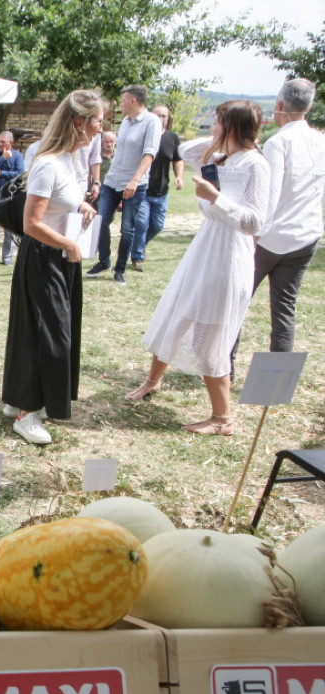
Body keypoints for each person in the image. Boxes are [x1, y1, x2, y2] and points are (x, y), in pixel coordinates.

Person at [125, 101, 269, 437]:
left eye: (217, 122)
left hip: (229, 256)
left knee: (209, 336)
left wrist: (216, 198)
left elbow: (255, 222)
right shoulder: (223, 158)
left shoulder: (255, 164)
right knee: (177, 314)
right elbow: (187, 149)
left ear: (232, 127)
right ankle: (153, 381)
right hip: (205, 250)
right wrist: (222, 144)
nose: (211, 128)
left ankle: (222, 418)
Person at [1, 90, 103, 445]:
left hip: (60, 257)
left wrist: (81, 208)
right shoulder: (48, 164)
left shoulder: (70, 161)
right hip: (44, 257)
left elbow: (61, 204)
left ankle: (20, 399)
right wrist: (69, 244)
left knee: (44, 331)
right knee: (49, 335)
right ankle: (27, 413)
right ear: (79, 122)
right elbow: (31, 224)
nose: (102, 128)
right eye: (98, 121)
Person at [246, 78, 325, 354]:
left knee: (238, 300)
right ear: (309, 107)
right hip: (306, 234)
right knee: (284, 310)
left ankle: (224, 368)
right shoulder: (321, 141)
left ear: (279, 105)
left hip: (272, 236)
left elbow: (270, 194)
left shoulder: (278, 142)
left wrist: (255, 235)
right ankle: (277, 378)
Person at [87, 85, 161, 285]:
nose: (120, 104)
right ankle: (104, 261)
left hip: (134, 184)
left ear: (133, 101)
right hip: (113, 181)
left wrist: (135, 180)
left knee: (127, 228)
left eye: (122, 100)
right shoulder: (126, 122)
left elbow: (150, 153)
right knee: (101, 220)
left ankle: (120, 270)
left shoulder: (152, 122)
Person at [130, 105, 184, 270]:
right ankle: (137, 257)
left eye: (164, 116)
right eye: (157, 115)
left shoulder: (172, 138)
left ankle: (138, 245)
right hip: (143, 189)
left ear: (168, 119)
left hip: (161, 191)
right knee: (141, 224)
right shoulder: (143, 134)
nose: (161, 119)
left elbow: (177, 160)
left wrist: (179, 177)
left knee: (157, 226)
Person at [0, 131, 25, 265]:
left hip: (9, 199)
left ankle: (7, 259)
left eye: (3, 142)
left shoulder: (18, 156)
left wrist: (1, 173)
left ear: (10, 143)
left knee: (9, 231)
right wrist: (2, 158)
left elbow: (19, 174)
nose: (0, 144)